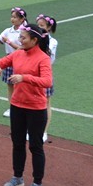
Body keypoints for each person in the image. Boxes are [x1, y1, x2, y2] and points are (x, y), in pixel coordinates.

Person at [0, 23, 52, 186]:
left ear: (34, 40)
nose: (19, 40)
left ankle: (37, 183)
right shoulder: (17, 54)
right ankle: (18, 177)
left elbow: (47, 81)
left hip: (36, 109)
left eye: (23, 37)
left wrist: (24, 78)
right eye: (20, 37)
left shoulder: (43, 58)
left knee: (35, 146)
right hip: (17, 106)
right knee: (17, 143)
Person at [0, 7, 27, 117]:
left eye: (15, 17)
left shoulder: (25, 32)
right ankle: (12, 108)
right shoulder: (8, 30)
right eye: (12, 17)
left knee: (21, 86)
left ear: (22, 19)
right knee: (10, 86)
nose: (12, 19)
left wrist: (8, 42)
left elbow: (22, 48)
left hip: (22, 60)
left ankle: (22, 108)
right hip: (10, 60)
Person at [36, 14, 58, 142]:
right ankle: (32, 129)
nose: (39, 28)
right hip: (32, 74)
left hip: (44, 75)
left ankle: (43, 131)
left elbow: (46, 57)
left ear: (49, 28)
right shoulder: (33, 39)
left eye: (42, 26)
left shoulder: (52, 42)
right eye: (38, 25)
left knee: (45, 103)